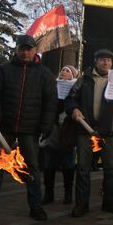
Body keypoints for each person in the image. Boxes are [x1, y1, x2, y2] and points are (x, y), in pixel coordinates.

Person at [0, 35, 57, 225]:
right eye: (22, 49)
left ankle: (35, 206)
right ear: (16, 50)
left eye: (29, 49)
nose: (25, 52)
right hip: (4, 130)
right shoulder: (3, 71)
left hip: (30, 131)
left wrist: (46, 125)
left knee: (32, 169)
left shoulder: (45, 74)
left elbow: (51, 102)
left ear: (35, 51)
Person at [65, 49, 113, 217]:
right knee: (82, 169)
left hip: (109, 132)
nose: (106, 63)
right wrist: (73, 109)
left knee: (110, 169)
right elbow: (70, 98)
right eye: (103, 60)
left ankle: (110, 203)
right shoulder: (84, 79)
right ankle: (82, 204)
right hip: (85, 131)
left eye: (109, 61)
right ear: (95, 61)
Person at [42, 66, 78, 205]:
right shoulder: (53, 86)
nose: (64, 72)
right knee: (49, 163)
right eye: (62, 70)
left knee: (68, 164)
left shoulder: (75, 88)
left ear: (73, 75)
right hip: (53, 129)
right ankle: (48, 193)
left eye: (68, 71)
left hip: (67, 130)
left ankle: (68, 194)